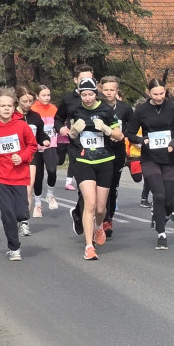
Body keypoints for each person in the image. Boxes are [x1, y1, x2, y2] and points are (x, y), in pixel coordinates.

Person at [127, 79, 174, 250]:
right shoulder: (141, 110)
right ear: (148, 93)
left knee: (169, 199)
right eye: (155, 94)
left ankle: (164, 213)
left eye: (162, 93)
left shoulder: (173, 107)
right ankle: (161, 233)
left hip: (170, 158)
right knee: (159, 195)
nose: (159, 97)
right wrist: (142, 139)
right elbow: (130, 133)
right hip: (150, 159)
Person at [66, 77, 123, 260]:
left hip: (105, 160)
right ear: (79, 94)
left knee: (100, 208)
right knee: (89, 204)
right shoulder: (75, 109)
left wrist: (106, 129)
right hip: (83, 161)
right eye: (84, 95)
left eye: (90, 94)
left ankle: (99, 226)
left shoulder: (106, 110)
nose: (88, 98)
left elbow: (119, 135)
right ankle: (89, 246)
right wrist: (74, 131)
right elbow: (71, 135)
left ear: (95, 94)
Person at [0, 88, 37, 260]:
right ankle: (14, 248)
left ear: (14, 107)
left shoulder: (21, 125)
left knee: (21, 213)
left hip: (19, 175)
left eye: (9, 106)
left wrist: (22, 157)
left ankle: (22, 220)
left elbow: (32, 146)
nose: (6, 109)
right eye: (2, 106)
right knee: (8, 214)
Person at [99, 76, 132, 238]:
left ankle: (108, 219)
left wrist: (120, 135)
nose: (109, 93)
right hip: (100, 152)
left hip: (118, 152)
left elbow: (132, 129)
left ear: (117, 91)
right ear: (101, 91)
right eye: (106, 90)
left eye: (112, 90)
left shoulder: (124, 109)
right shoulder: (97, 107)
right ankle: (99, 216)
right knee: (101, 187)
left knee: (112, 187)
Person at [57, 64, 96, 191]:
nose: (86, 83)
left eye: (89, 79)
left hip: (98, 147)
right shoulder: (68, 99)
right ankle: (82, 210)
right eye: (82, 80)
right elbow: (58, 119)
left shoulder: (100, 97)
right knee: (84, 186)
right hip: (77, 145)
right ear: (75, 80)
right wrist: (60, 128)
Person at [15, 87, 50, 219]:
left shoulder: (35, 116)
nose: (28, 104)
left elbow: (41, 133)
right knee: (16, 190)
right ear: (17, 100)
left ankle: (24, 221)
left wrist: (45, 140)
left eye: (30, 101)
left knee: (28, 188)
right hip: (13, 156)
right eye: (24, 101)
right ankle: (15, 213)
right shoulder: (11, 116)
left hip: (31, 155)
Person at [30, 85, 61, 213]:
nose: (47, 98)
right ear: (37, 96)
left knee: (52, 170)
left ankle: (50, 194)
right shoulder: (33, 110)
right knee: (38, 177)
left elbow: (59, 124)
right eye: (44, 95)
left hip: (50, 144)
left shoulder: (54, 109)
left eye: (48, 95)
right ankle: (37, 204)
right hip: (36, 146)